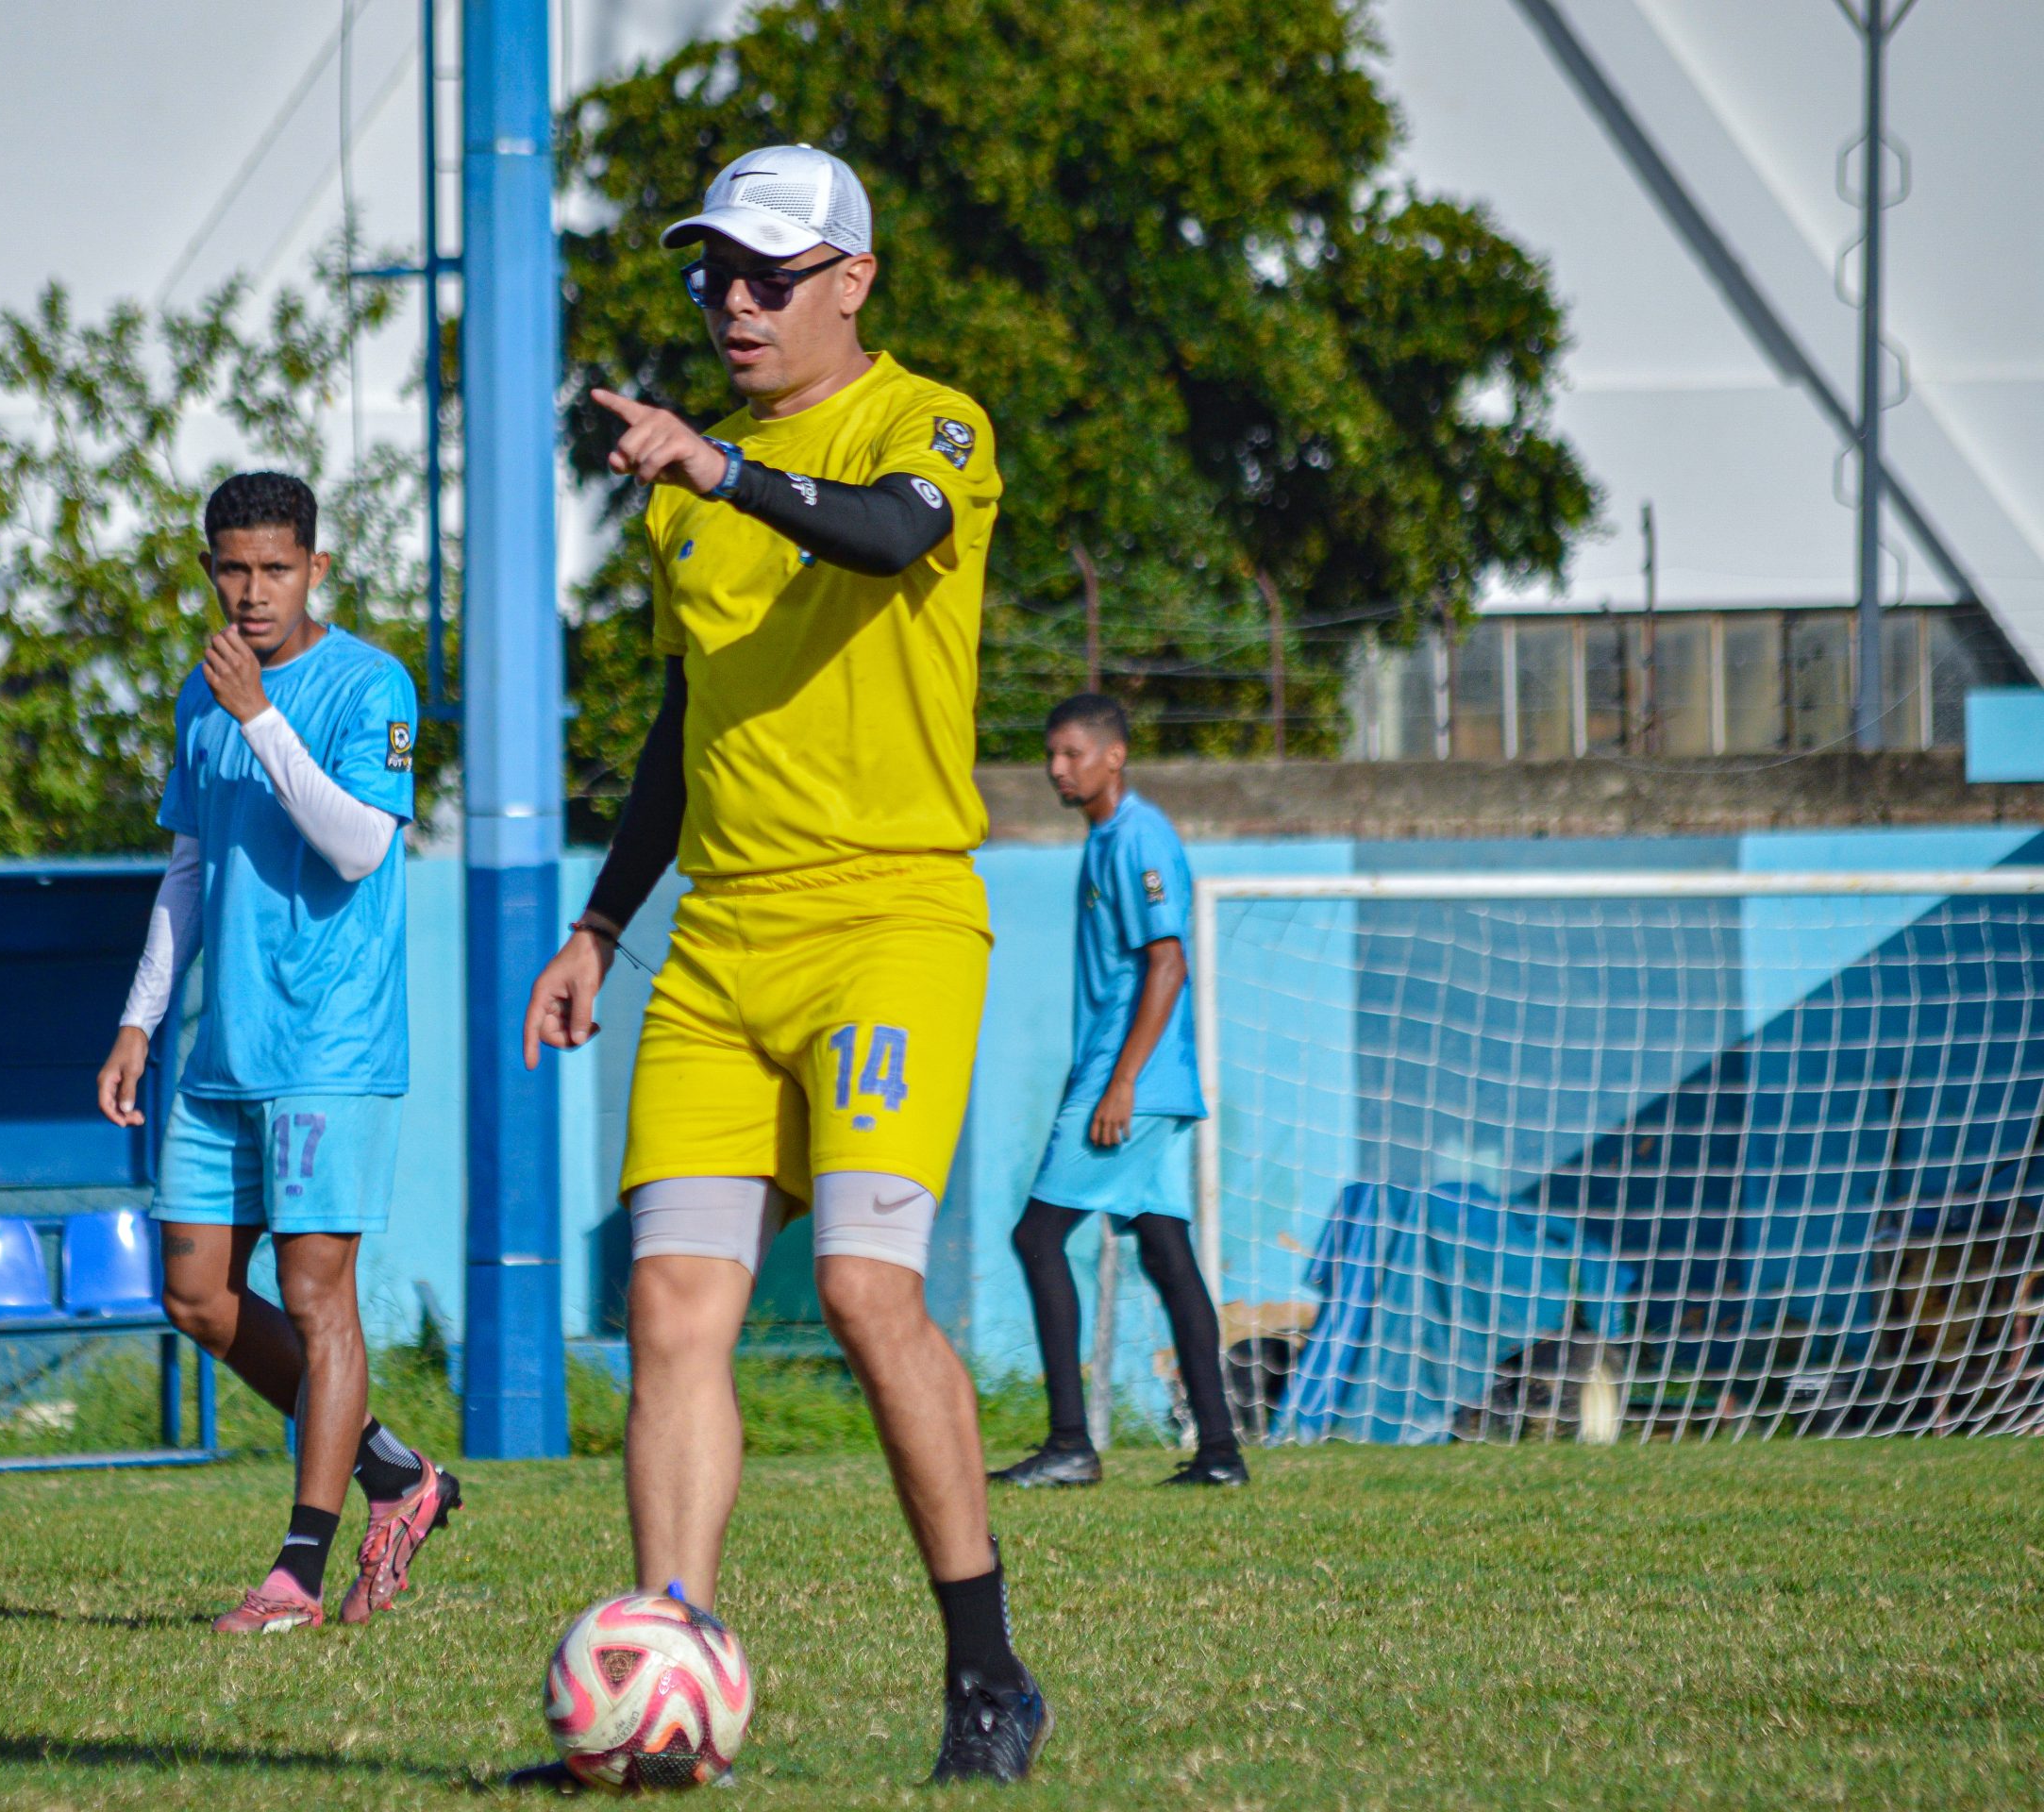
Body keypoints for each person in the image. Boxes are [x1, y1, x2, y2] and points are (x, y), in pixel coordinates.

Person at [519, 144, 1047, 1784]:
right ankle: (664, 1676)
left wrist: (714, 473)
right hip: (717, 948)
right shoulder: (700, 482)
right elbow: (688, 730)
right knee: (672, 1307)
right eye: (714, 276)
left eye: (767, 274)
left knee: (864, 1289)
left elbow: (891, 539)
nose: (733, 303)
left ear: (851, 281)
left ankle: (987, 1678)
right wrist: (601, 922)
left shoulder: (926, 420)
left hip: (887, 925)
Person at [97, 471, 461, 1635]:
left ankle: (298, 1571)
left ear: (315, 568)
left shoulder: (367, 683)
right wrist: (141, 1018)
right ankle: (397, 1477)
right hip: (221, 1050)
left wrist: (262, 714)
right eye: (232, 569)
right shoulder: (202, 696)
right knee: (196, 1293)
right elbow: (191, 867)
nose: (252, 592)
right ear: (209, 568)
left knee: (316, 1296)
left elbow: (358, 847)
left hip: (330, 1046)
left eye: (275, 569)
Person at [989, 694, 1249, 1490]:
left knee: (1037, 1239)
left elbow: (1168, 962)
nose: (1056, 768)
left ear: (1115, 756)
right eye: (1051, 753)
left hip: (1129, 1082)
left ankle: (1070, 1442)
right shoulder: (1106, 839)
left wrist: (1121, 1084)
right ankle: (1219, 1453)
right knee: (1169, 1257)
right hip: (1128, 1078)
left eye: (1071, 753)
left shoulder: (1139, 837)